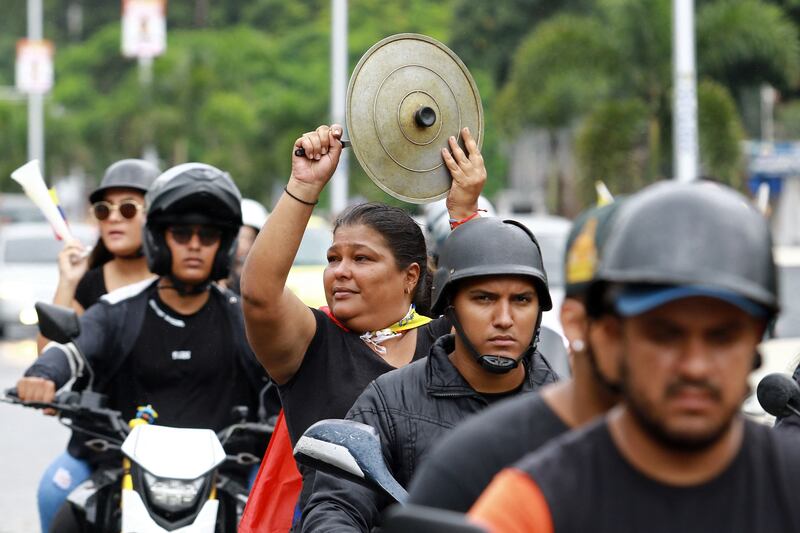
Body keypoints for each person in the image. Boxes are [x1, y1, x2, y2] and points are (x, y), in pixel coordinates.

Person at [470, 180, 800, 533]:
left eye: (722, 337)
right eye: (665, 336)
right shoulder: (530, 510)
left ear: (755, 342)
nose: (694, 366)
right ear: (612, 339)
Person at [17, 163, 275, 533]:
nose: (195, 245)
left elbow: (289, 366)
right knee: (54, 493)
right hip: (115, 462)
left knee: (295, 505)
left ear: (225, 244)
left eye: (208, 235)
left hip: (230, 467)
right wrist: (44, 372)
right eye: (182, 233)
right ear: (158, 238)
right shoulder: (117, 310)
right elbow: (75, 348)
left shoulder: (247, 320)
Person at [240, 123, 486, 510]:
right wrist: (304, 186)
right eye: (333, 258)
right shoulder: (312, 344)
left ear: (410, 277)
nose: (340, 271)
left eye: (362, 259)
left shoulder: (448, 341)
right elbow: (258, 295)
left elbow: (490, 302)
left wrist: (465, 212)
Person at [301, 216, 558, 531]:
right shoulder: (391, 400)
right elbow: (335, 507)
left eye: (521, 300)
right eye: (484, 298)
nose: (504, 318)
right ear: (451, 307)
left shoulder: (568, 410)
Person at [406, 201, 623, 513]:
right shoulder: (469, 459)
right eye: (657, 329)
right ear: (575, 322)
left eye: (718, 334)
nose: (693, 363)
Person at [37, 159, 160, 351]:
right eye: (103, 210)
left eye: (127, 208)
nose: (113, 217)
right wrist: (67, 282)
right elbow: (47, 356)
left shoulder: (177, 280)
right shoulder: (88, 284)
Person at [227, 197, 270, 294]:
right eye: (239, 237)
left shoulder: (264, 278)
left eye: (250, 238)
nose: (244, 246)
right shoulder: (218, 279)